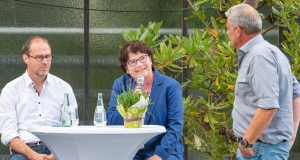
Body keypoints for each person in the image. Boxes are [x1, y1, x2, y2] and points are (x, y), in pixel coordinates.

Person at [225, 3, 300, 159]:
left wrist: (246, 143)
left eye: (228, 29)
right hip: (264, 148)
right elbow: (295, 92)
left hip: (260, 150)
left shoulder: (259, 56)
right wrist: (290, 135)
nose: (227, 33)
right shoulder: (271, 51)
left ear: (238, 31)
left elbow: (269, 106)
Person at [0, 36, 78, 160]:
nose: (45, 61)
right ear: (26, 58)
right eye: (39, 57)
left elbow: (73, 126)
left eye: (48, 57)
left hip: (57, 149)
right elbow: (8, 134)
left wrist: (56, 154)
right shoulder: (11, 90)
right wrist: (33, 155)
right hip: (25, 151)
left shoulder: (63, 88)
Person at [106, 40, 184, 160]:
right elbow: (111, 119)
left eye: (143, 58)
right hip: (131, 151)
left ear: (150, 60)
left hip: (164, 151)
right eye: (132, 62)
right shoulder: (120, 85)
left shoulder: (170, 86)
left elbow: (175, 126)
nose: (139, 64)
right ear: (126, 69)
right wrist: (131, 103)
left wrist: (159, 155)